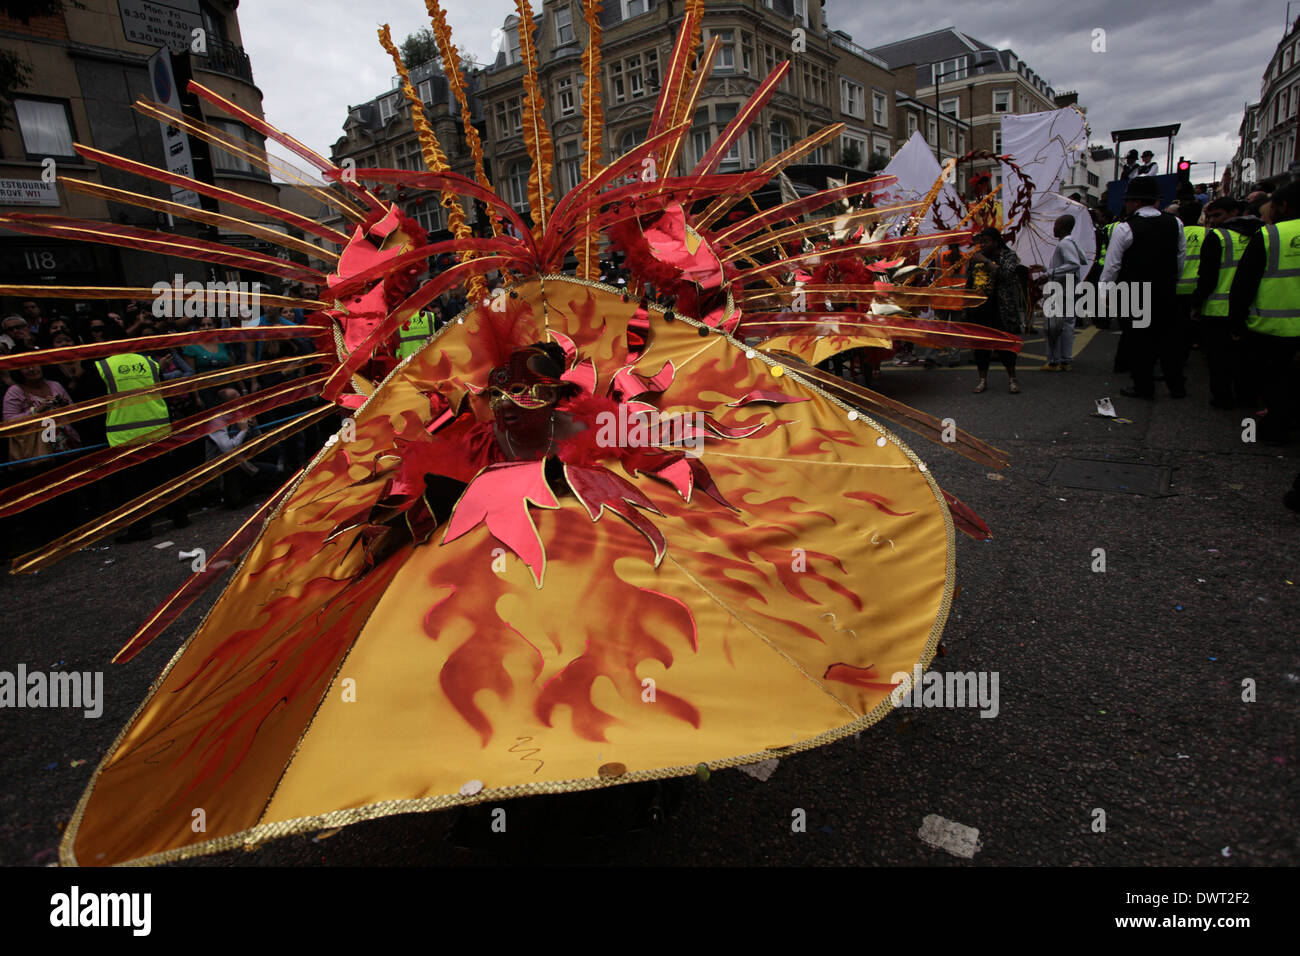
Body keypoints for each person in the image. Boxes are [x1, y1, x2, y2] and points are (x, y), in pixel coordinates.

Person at [1227, 179, 1300, 445]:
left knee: (1276, 381)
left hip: (1272, 327)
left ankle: (1275, 428)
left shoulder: (1271, 235)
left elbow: (1244, 284)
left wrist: (1235, 323)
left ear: (1283, 205)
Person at [1100, 176, 1186, 399]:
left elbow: (1112, 266)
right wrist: (1171, 281)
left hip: (1135, 292)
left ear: (1136, 202)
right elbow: (1180, 259)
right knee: (1168, 341)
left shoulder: (1125, 228)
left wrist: (1103, 294)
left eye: (1128, 200)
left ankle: (1143, 387)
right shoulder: (1175, 223)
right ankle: (1177, 387)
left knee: (1140, 341)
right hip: (1165, 290)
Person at [96, 348, 189, 540]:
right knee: (164, 478)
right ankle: (180, 516)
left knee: (133, 486)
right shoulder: (149, 363)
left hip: (125, 434)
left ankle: (140, 528)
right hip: (157, 428)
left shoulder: (103, 366)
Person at [1194, 197, 1260, 409]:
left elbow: (1207, 277)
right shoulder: (1262, 234)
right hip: (1254, 310)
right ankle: (1246, 397)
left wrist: (1196, 303)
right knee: (1245, 359)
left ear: (1234, 212)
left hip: (1218, 309)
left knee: (1219, 360)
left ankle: (1223, 398)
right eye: (1210, 216)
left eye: (1218, 215)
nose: (1212, 221)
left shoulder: (1218, 237)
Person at [966, 228, 1023, 393]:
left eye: (986, 241)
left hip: (1001, 308)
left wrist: (985, 261)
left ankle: (1012, 379)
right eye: (981, 242)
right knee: (980, 346)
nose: (982, 245)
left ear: (996, 241)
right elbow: (970, 281)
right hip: (979, 308)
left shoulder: (1008, 255)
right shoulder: (975, 258)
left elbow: (1006, 274)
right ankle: (982, 380)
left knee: (1004, 345)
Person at [1035, 214, 1087, 371]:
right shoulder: (1071, 242)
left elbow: (1074, 264)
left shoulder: (1064, 244)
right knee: (1066, 325)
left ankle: (1053, 361)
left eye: (1056, 225)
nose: (1054, 228)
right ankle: (1065, 360)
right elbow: (1082, 259)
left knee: (1052, 326)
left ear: (1063, 227)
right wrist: (1046, 269)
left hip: (1061, 291)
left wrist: (1048, 274)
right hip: (1069, 289)